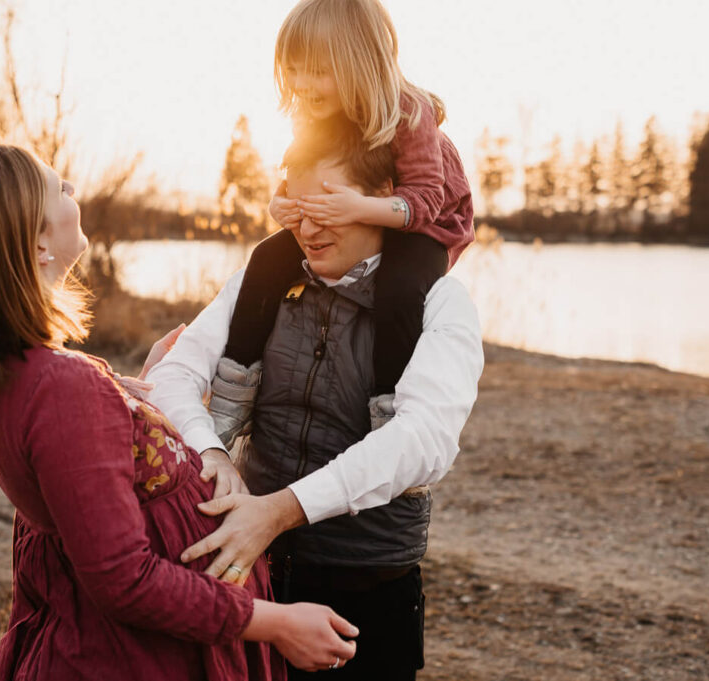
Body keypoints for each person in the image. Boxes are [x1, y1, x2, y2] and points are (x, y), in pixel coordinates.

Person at [0, 140, 360, 680]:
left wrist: (132, 401)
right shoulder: (61, 387)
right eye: (59, 188)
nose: (74, 191)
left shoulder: (4, 373)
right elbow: (126, 579)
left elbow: (80, 479)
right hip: (136, 658)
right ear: (36, 245)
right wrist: (276, 622)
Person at [147, 115, 483, 679]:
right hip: (252, 576)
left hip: (368, 587)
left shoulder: (441, 302)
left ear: (382, 198)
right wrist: (211, 452)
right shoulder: (260, 282)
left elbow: (423, 441)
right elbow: (174, 375)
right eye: (295, 210)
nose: (308, 227)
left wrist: (279, 511)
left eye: (327, 206)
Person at [208, 0, 476, 447]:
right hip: (353, 210)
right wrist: (283, 206)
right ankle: (234, 393)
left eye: (316, 71)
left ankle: (389, 416)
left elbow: (426, 200)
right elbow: (297, 171)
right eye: (293, 70)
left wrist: (357, 209)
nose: (302, 84)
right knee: (268, 257)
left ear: (360, 61)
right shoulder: (316, 111)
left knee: (400, 287)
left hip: (427, 224)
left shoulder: (409, 111)